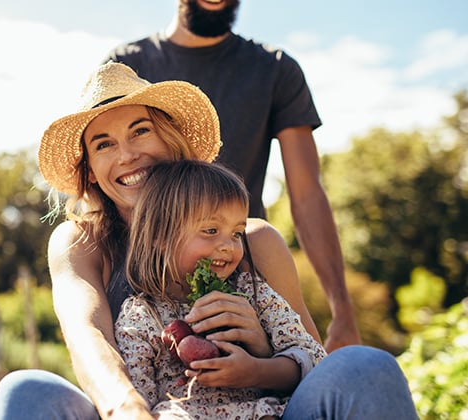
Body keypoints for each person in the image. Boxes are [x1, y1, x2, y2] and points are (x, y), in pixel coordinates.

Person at [0, 62, 416, 419]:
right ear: (91, 169)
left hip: (263, 411)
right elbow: (87, 336)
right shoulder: (82, 241)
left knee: (365, 366)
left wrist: (261, 354)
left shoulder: (254, 241)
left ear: (173, 140)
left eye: (141, 131)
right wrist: (129, 410)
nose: (126, 155)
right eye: (104, 144)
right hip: (151, 411)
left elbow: (311, 359)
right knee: (25, 389)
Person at [103, 0, 360, 352]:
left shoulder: (275, 69)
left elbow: (306, 194)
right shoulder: (129, 65)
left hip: (240, 269)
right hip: (143, 273)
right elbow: (105, 168)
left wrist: (342, 309)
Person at [116, 159, 326, 419]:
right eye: (211, 230)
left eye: (237, 233)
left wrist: (257, 369)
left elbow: (316, 360)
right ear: (161, 236)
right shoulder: (142, 316)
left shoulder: (252, 295)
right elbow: (137, 397)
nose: (228, 245)